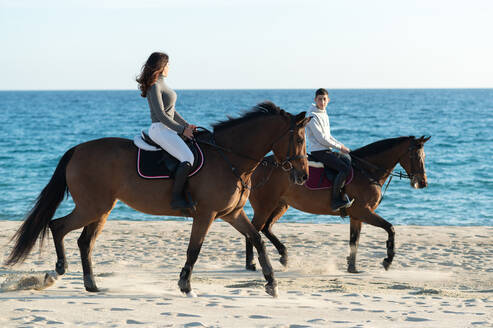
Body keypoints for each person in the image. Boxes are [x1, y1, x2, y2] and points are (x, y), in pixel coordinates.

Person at [136, 52, 197, 210]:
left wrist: (186, 125)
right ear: (162, 66)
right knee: (188, 157)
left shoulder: (163, 85)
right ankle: (176, 198)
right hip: (160, 130)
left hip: (169, 129)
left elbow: (172, 112)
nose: (170, 68)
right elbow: (162, 115)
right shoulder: (155, 85)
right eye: (168, 65)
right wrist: (182, 130)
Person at [305, 88, 353, 211]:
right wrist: (340, 147)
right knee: (344, 168)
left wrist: (341, 146)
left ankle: (345, 193)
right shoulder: (313, 116)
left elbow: (328, 136)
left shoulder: (323, 113)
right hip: (319, 151)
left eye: (324, 99)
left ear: (328, 100)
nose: (322, 101)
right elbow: (322, 139)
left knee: (348, 160)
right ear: (315, 99)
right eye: (319, 99)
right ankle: (335, 200)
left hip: (326, 150)